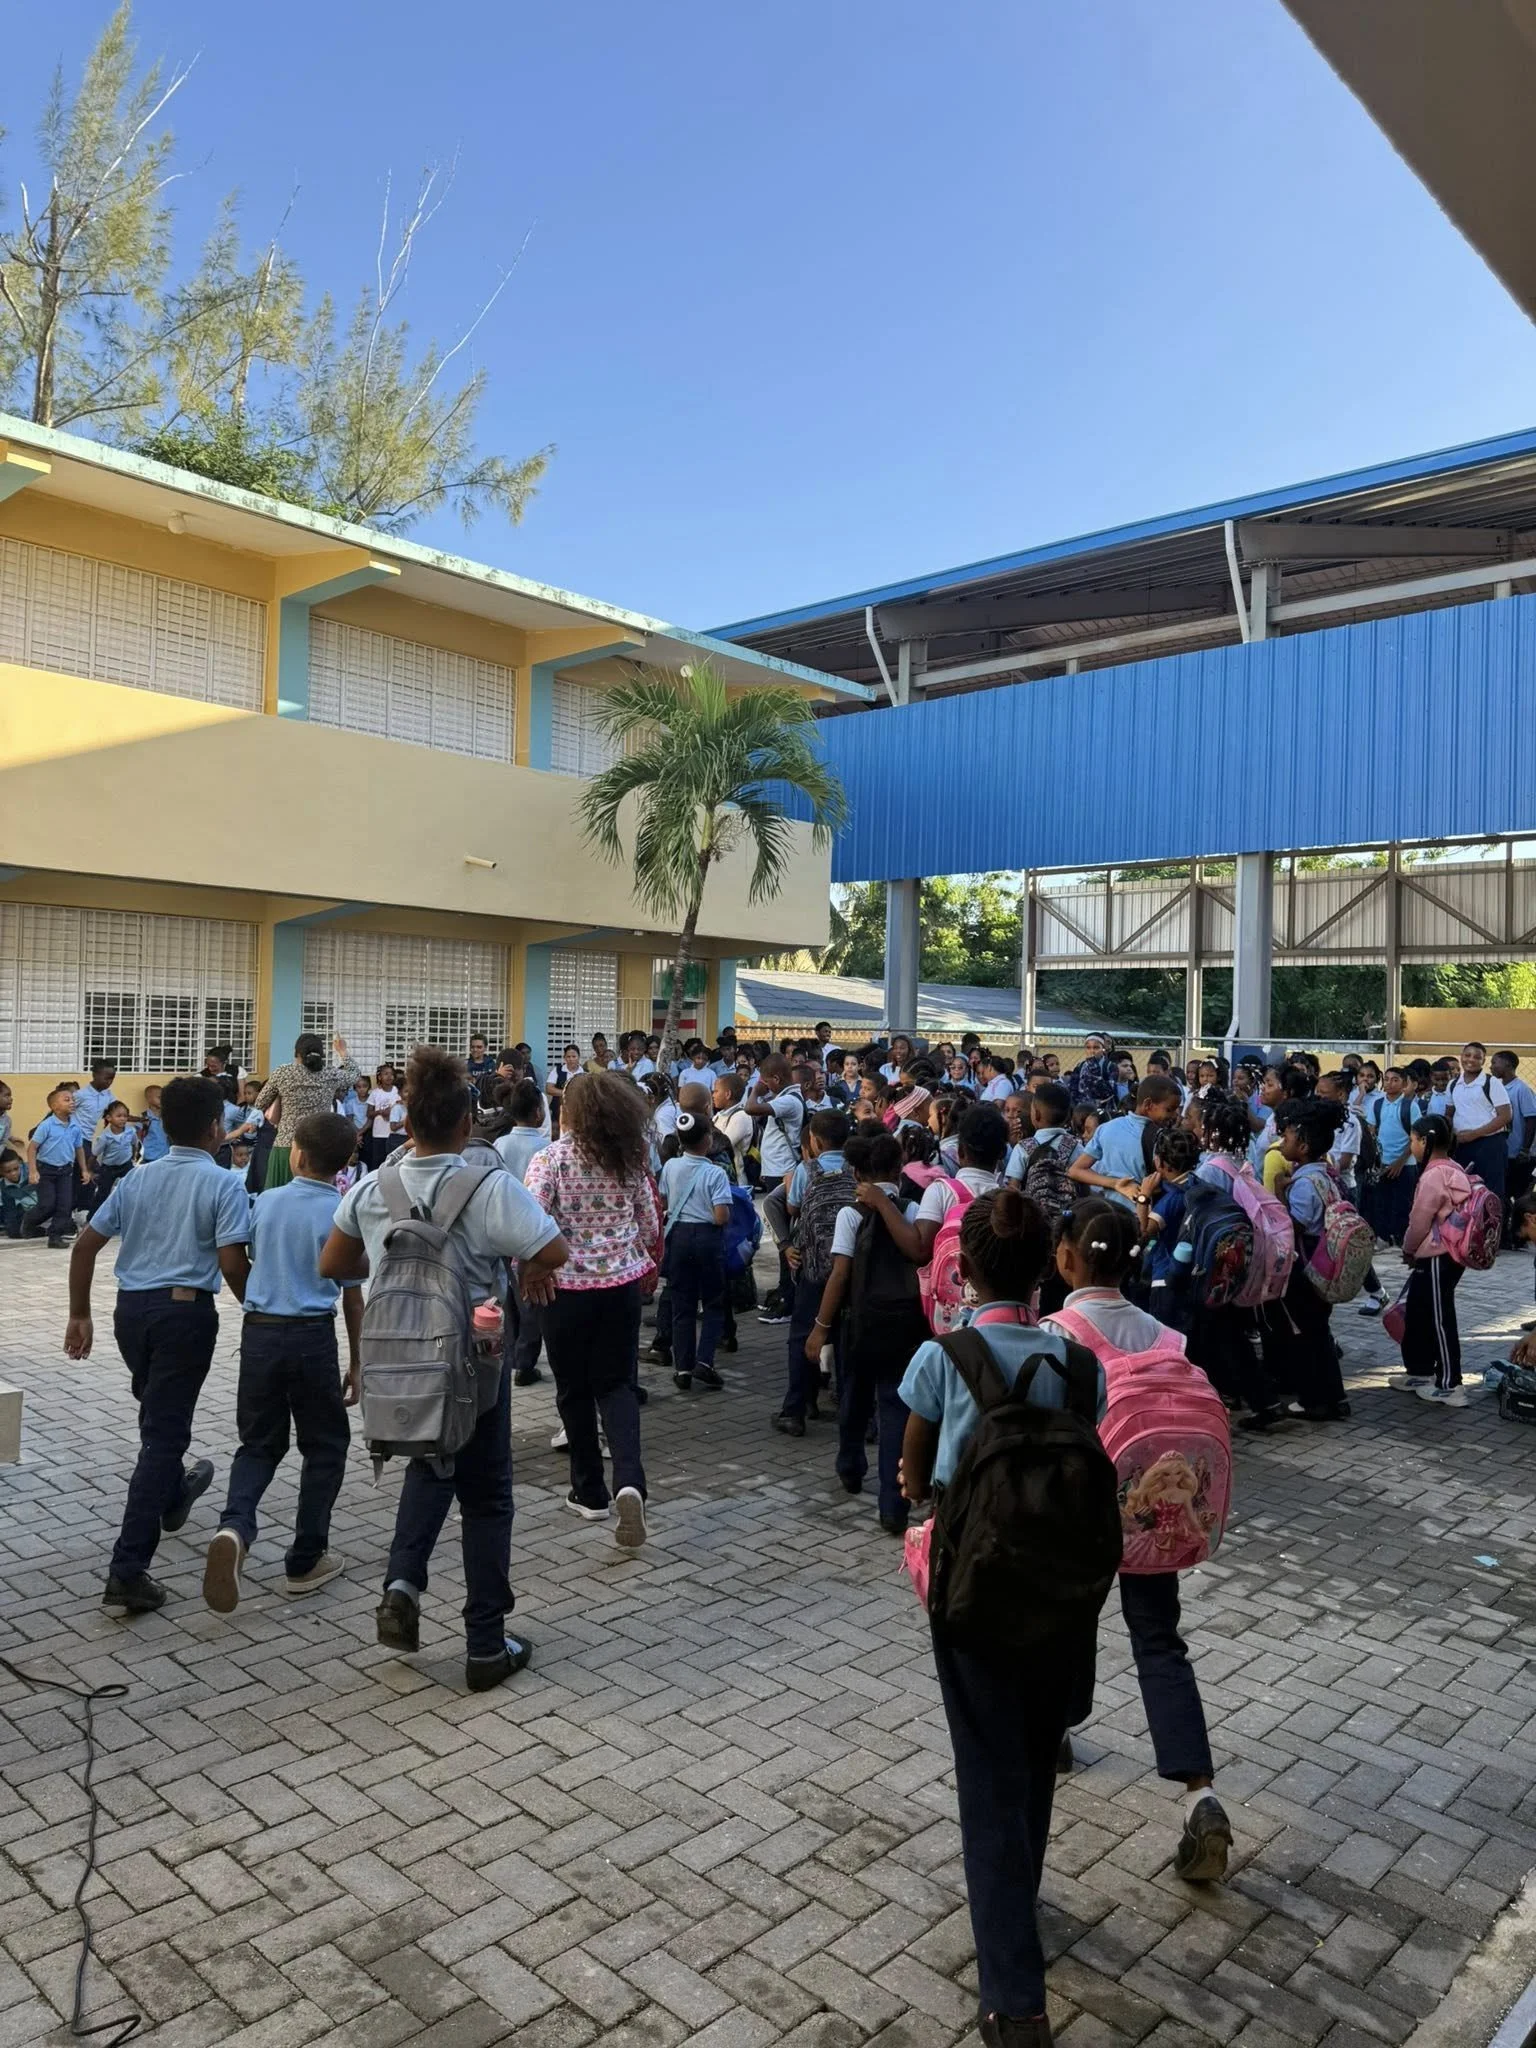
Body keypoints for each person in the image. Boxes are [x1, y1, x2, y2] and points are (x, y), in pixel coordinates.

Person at [898, 1188, 1104, 2048]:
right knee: (1032, 1756)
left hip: (973, 1591)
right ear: (1048, 1265)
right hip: (1062, 1588)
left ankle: (1015, 2000)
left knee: (986, 1779)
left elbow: (911, 1468)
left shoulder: (944, 1357)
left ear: (964, 1267)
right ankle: (1020, 1900)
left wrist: (921, 1504)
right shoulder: (1077, 1364)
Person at [323, 1046, 568, 1690]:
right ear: (467, 1125)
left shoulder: (376, 1188)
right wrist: (530, 1270)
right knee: (487, 1499)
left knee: (432, 1463)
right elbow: (555, 1247)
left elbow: (333, 1265)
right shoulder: (488, 1186)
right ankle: (486, 1644)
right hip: (475, 1365)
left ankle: (402, 1581)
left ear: (405, 1124)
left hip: (400, 1363)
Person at [1042, 1199, 1232, 1882]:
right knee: (1159, 1640)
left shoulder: (1056, 1333)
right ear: (1133, 1259)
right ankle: (1199, 1794)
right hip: (1153, 1522)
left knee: (1069, 1624)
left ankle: (1059, 1728)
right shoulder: (1168, 1336)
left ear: (1066, 1256)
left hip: (1081, 1519)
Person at [64, 1076, 253, 1612]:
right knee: (163, 1437)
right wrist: (257, 1310)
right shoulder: (223, 1184)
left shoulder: (137, 1179)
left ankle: (174, 1495)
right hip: (184, 1315)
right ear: (217, 1127)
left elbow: (84, 1249)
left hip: (132, 1314)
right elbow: (232, 1263)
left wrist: (80, 1314)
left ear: (163, 1125)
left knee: (157, 1413)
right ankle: (127, 1571)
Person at [202, 1112, 363, 1612]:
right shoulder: (342, 1211)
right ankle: (305, 1559)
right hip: (313, 1337)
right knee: (326, 1445)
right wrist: (358, 1363)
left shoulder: (265, 1202)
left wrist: (257, 1298)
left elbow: (235, 1259)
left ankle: (235, 1527)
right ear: (344, 1165)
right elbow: (354, 1297)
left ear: (295, 1154)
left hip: (260, 1336)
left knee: (257, 1444)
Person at [524, 1072, 658, 1548]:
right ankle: (629, 1481)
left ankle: (589, 1491)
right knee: (618, 1386)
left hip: (563, 1293)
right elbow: (649, 1222)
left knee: (573, 1390)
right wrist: (637, 1260)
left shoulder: (550, 1160)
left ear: (569, 1114)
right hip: (620, 1288)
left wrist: (533, 1268)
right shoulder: (629, 1159)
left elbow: (531, 1218)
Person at [805, 1130, 924, 1534]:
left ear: (856, 1172)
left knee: (853, 1400)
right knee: (895, 1410)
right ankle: (893, 1506)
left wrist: (820, 1327)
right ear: (898, 1169)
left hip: (858, 1324)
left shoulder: (850, 1214)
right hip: (905, 1325)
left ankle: (851, 1466)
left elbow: (839, 1274)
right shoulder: (911, 1209)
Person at [1262, 1098, 1351, 1422]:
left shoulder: (1303, 1184)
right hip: (1324, 1265)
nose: (1281, 1143)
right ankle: (1335, 1396)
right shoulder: (1325, 1175)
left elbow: (1292, 1226)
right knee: (1320, 1334)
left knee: (1306, 1337)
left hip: (1306, 1269)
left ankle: (1315, 1400)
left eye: (1285, 1138)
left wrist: (1280, 1193)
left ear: (1303, 1144)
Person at [774, 1109, 855, 1433]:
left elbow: (793, 1208)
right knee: (846, 1341)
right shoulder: (855, 1168)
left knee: (802, 1338)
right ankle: (855, 1413)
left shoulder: (807, 1169)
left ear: (816, 1141)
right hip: (849, 1269)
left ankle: (796, 1409)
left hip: (813, 1269)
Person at [1389, 1114, 1474, 1409]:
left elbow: (1420, 1219)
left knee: (1439, 1317)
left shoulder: (1433, 1175)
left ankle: (1451, 1384)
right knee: (1419, 1312)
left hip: (1438, 1255)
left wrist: (1409, 1249)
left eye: (1413, 1140)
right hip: (1446, 1255)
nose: (1411, 1146)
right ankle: (1420, 1371)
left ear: (1425, 1141)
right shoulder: (1453, 1168)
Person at [657, 1109, 732, 1393]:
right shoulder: (716, 1173)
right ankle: (705, 1362)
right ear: (708, 1140)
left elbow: (663, 1201)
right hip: (707, 1238)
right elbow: (722, 1216)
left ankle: (683, 1368)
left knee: (682, 1304)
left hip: (677, 1239)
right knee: (713, 1303)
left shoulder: (671, 1167)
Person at [492, 1079, 554, 1386]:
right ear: (539, 1113)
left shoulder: (500, 1145)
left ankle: (513, 1353)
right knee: (533, 1297)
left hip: (504, 1230)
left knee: (508, 1295)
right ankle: (526, 1362)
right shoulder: (548, 1149)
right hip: (535, 1232)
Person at [256, 1033, 362, 1190]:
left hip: (286, 1146)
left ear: (297, 1052)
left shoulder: (283, 1072)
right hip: (319, 1148)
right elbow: (354, 1075)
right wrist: (342, 1051)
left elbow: (260, 1102)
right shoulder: (329, 1074)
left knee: (280, 1198)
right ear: (321, 1053)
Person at [746, 1055, 807, 1321]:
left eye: (766, 1079)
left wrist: (756, 1091)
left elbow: (750, 1108)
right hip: (776, 1171)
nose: (763, 1084)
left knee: (785, 1237)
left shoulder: (789, 1101)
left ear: (776, 1080)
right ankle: (784, 1291)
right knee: (782, 1234)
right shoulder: (785, 1097)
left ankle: (789, 1300)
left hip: (784, 1172)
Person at [1068, 1076, 1182, 1212]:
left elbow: (1075, 1170)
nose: (1175, 1115)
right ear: (1148, 1105)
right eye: (1169, 1109)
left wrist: (1115, 1183)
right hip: (1144, 1217)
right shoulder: (1160, 1138)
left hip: (1110, 1212)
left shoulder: (1107, 1128)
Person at [1448, 1040, 1512, 1202]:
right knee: (1463, 1191)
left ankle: (1493, 1227)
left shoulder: (1492, 1083)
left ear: (1484, 1061)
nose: (1471, 1060)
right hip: (1461, 1146)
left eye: (1477, 1057)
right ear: (1461, 1057)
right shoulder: (1454, 1084)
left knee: (1491, 1193)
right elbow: (1449, 1114)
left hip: (1490, 1145)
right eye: (1467, 1055)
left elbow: (1505, 1115)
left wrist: (1474, 1134)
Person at [27, 1085, 89, 1248]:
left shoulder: (75, 1127)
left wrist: (84, 1169)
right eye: (67, 1099)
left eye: (73, 1100)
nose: (72, 1102)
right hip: (46, 1170)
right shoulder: (47, 1125)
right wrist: (33, 1171)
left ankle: (54, 1236)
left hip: (65, 1171)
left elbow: (79, 1149)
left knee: (65, 1205)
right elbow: (32, 1148)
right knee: (47, 1204)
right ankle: (28, 1221)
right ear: (54, 1106)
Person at [1493, 1050, 1536, 1238]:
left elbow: (1531, 1120)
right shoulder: (1499, 1088)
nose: (1491, 1066)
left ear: (1508, 1065)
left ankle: (1520, 1235)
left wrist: (1525, 1149)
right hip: (1505, 1151)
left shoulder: (1521, 1090)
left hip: (1520, 1153)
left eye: (1495, 1063)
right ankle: (1507, 1234)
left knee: (1519, 1195)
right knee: (1503, 1193)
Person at [90, 1100, 139, 1210]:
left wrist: (132, 1158)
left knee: (131, 1189)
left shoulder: (130, 1131)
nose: (123, 1119)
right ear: (109, 1118)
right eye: (119, 1116)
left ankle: (127, 1212)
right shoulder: (105, 1137)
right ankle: (92, 1218)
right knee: (103, 1193)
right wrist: (89, 1171)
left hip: (126, 1165)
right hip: (109, 1168)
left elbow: (134, 1145)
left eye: (125, 1116)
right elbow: (94, 1155)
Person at [364, 1063, 405, 1174]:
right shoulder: (375, 1093)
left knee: (393, 1162)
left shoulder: (398, 1091)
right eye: (386, 1074)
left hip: (394, 1134)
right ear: (380, 1077)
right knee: (377, 1162)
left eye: (391, 1074)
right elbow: (369, 1113)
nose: (389, 1076)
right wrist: (381, 1112)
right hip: (378, 1133)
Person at [1069, 1032, 1118, 1115]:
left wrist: (1093, 1066)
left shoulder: (1110, 1066)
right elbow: (1073, 1090)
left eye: (1096, 1047)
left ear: (1103, 1049)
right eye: (1088, 1047)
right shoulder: (1080, 1066)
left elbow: (1108, 1092)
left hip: (1103, 1112)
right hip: (1083, 1110)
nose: (1092, 1051)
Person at [138, 1084, 169, 1164]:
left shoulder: (166, 1116)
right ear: (149, 1099)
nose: (162, 1100)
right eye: (159, 1097)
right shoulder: (143, 1118)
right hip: (149, 1158)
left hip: (165, 1157)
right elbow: (138, 1138)